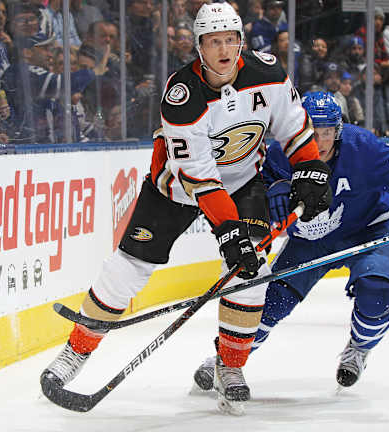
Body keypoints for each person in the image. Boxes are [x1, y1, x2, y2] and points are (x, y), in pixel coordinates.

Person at [40, 2, 330, 416]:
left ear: (242, 42)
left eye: (231, 39)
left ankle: (230, 368)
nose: (224, 49)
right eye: (214, 42)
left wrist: (311, 169)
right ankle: (75, 354)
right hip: (175, 188)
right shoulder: (183, 96)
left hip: (244, 179)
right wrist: (228, 229)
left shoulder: (268, 74)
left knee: (253, 272)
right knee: (126, 270)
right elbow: (199, 177)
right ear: (199, 47)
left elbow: (295, 130)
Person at [194, 91, 389, 392]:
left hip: (369, 230)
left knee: (377, 294)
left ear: (339, 130)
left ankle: (359, 349)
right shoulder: (281, 152)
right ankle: (227, 360)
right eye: (312, 132)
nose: (319, 142)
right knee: (271, 304)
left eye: (327, 133)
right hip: (311, 239)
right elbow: (254, 191)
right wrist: (272, 194)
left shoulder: (365, 148)